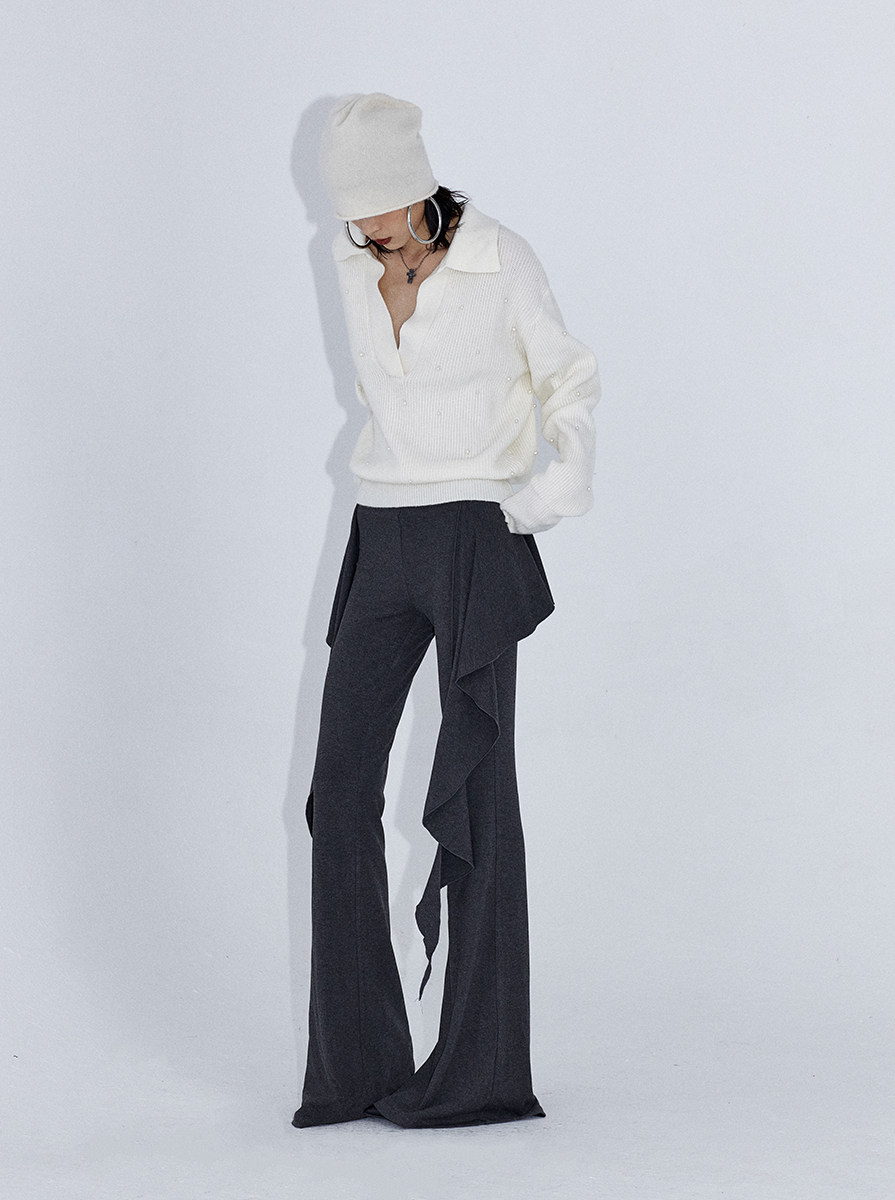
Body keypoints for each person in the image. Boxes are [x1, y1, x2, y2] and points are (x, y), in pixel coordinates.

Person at [291, 92, 599, 1130]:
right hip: (380, 533)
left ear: (419, 186)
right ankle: (356, 1065)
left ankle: (481, 1072)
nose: (366, 229)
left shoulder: (500, 260)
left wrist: (552, 488)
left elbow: (569, 377)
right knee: (340, 793)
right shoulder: (345, 263)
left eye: (380, 206)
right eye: (351, 212)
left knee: (479, 797)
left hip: (474, 534)